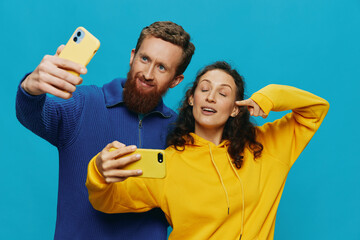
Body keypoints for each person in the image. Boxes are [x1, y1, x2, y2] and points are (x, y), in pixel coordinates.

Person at [86, 61, 329, 239]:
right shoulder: (168, 164)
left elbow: (316, 109)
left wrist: (268, 98)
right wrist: (98, 171)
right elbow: (107, 201)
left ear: (235, 109)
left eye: (223, 93)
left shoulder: (267, 147)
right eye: (204, 89)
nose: (211, 97)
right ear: (192, 99)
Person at [16, 21, 195, 239]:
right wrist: (30, 89)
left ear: (176, 80)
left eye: (161, 67)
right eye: (144, 59)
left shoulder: (179, 130)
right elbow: (33, 115)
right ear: (132, 56)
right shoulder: (83, 103)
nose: (147, 73)